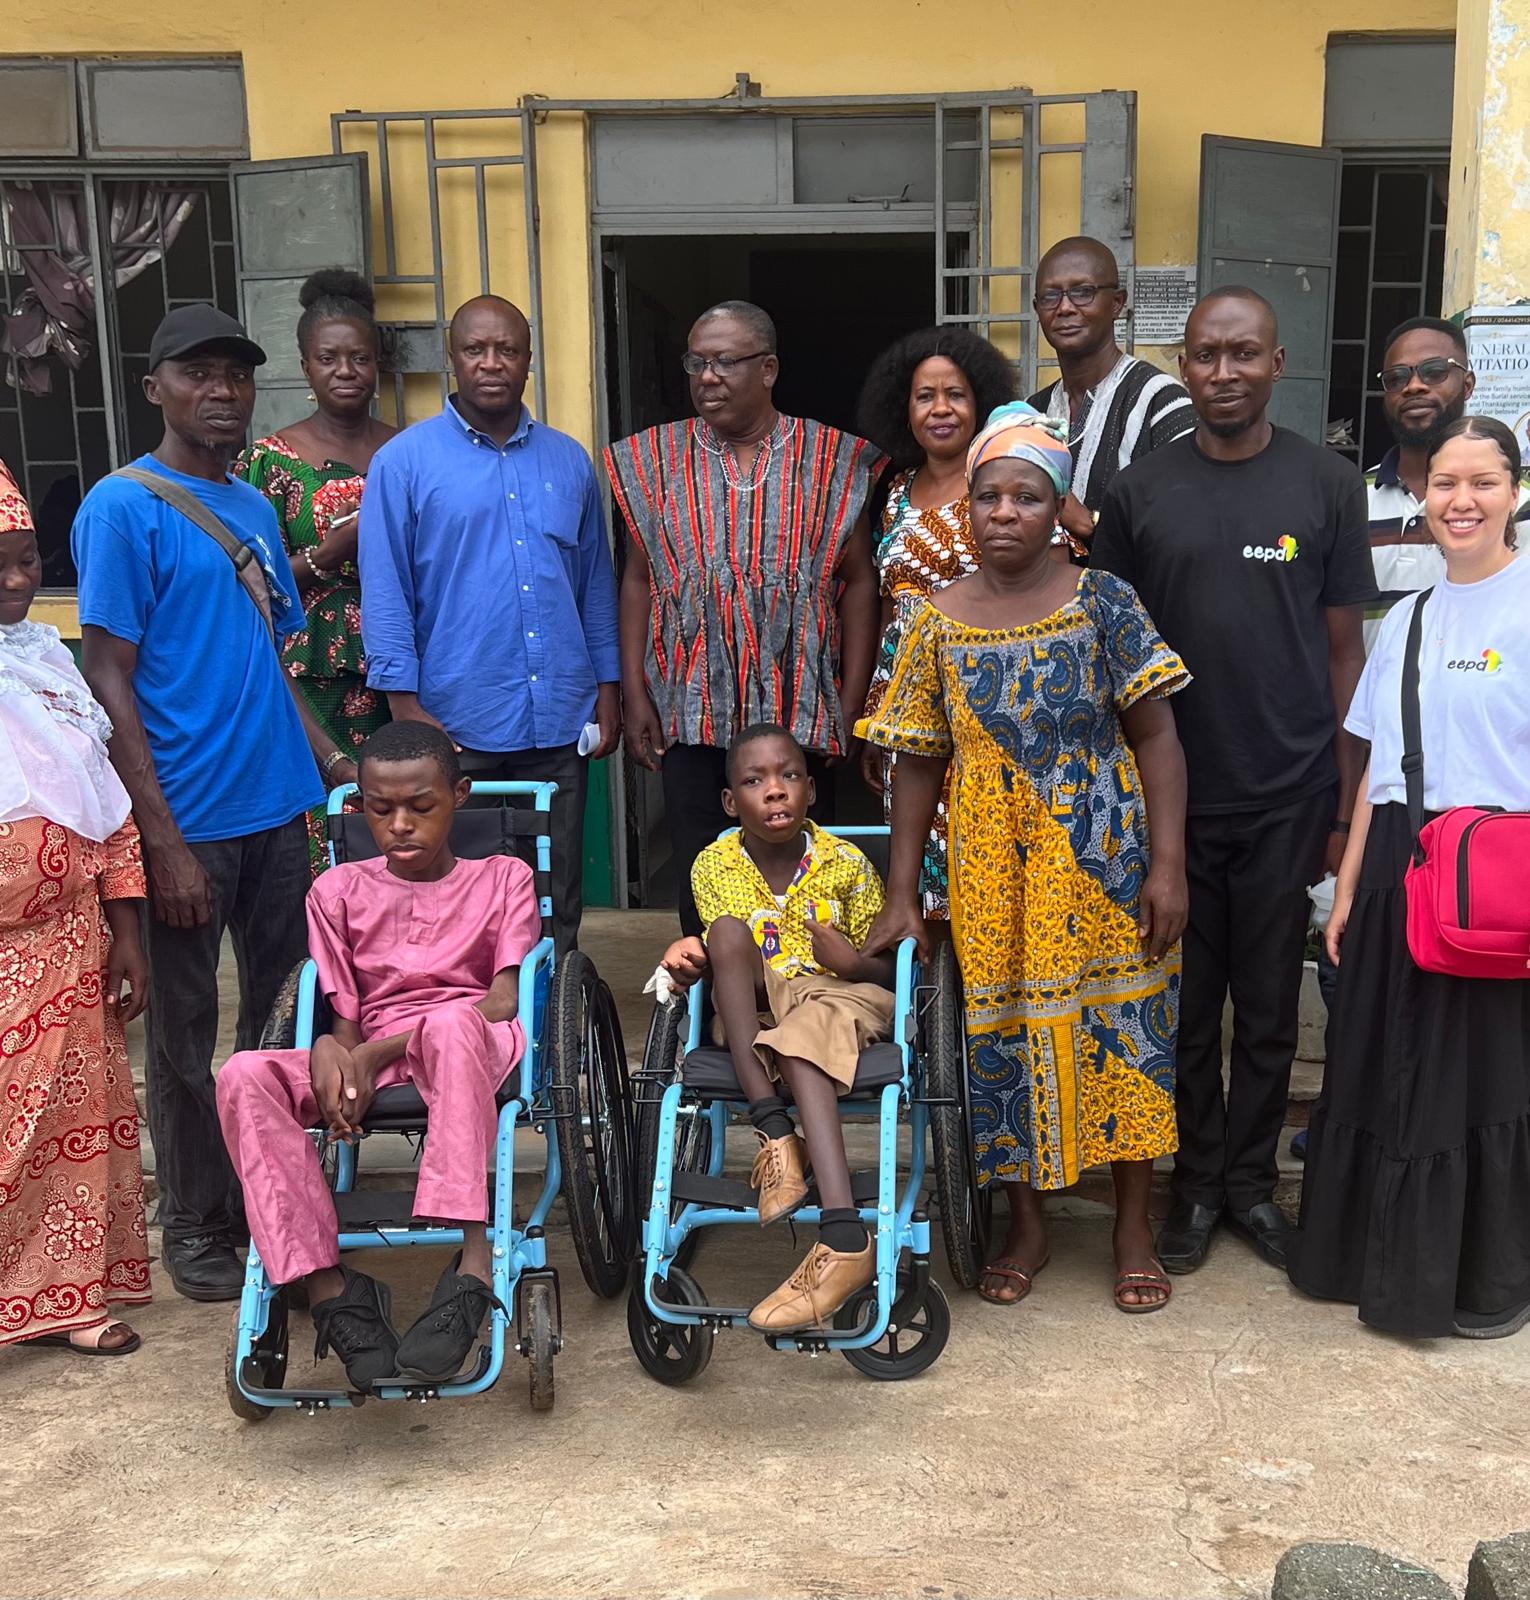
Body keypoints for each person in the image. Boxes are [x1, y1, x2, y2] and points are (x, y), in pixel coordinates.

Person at [860, 403, 1191, 1312]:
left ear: (1058, 510)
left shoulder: (1104, 600)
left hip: (1104, 857)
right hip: (989, 869)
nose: (1004, 512)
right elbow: (919, 760)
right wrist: (900, 891)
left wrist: (1168, 867)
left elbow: (1157, 737)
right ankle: (1029, 1222)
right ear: (964, 508)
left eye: (1026, 497)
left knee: (1125, 1034)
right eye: (988, 496)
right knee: (998, 1039)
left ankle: (1131, 1224)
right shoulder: (933, 619)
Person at [73, 303, 356, 1304]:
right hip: (189, 821)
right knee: (187, 1039)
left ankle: (269, 1203)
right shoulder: (122, 507)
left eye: (237, 376)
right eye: (199, 374)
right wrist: (163, 840)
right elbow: (107, 673)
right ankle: (197, 1226)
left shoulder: (246, 509)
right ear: (156, 388)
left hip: (279, 815)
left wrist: (329, 762)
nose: (223, 391)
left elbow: (268, 659)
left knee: (282, 1026)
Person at [1091, 287, 1376, 1275]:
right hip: (1168, 802)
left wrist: (1343, 803)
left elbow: (1347, 655)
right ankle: (1196, 1184)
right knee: (1177, 1011)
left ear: (1276, 363)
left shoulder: (1328, 486)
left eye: (1242, 354)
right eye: (1206, 354)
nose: (1222, 372)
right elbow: (1114, 653)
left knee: (1264, 1009)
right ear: (1184, 365)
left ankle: (1251, 1186)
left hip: (1286, 791)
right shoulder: (1139, 493)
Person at [1290, 416, 1530, 1339]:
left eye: (1482, 483)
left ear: (1515, 491)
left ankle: (1476, 1281)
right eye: (1444, 485)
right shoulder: (1410, 619)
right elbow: (1381, 767)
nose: (1460, 502)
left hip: (1497, 872)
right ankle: (1359, 1261)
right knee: (1379, 1066)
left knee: (1478, 1077)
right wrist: (1346, 891)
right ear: (1421, 498)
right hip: (1399, 860)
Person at [216, 719, 542, 1386]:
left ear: (460, 796)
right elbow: (344, 1017)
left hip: (472, 1041)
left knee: (450, 1025)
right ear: (359, 806)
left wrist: (374, 1051)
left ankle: (473, 1267)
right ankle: (330, 1290)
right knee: (246, 1073)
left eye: (421, 807)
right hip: (377, 1051)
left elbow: (502, 1002)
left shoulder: (502, 877)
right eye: (381, 809)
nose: (400, 825)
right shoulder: (334, 892)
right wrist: (336, 1057)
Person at [606, 300, 882, 938]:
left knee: (812, 870)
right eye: (696, 362)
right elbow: (639, 580)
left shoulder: (833, 461)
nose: (708, 377)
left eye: (725, 361)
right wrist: (636, 691)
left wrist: (850, 697)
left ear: (768, 369)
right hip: (691, 706)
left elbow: (860, 580)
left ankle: (809, 1006)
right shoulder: (652, 462)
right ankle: (711, 1010)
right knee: (702, 867)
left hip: (802, 707)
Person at [359, 295, 619, 955]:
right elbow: (385, 586)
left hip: (558, 716)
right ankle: (467, 1026)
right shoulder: (404, 462)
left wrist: (608, 688)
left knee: (555, 893)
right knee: (455, 890)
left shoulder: (568, 462)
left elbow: (592, 582)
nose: (492, 363)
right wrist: (407, 708)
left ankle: (554, 1024)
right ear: (454, 357)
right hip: (454, 719)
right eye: (477, 350)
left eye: (508, 349)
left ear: (529, 360)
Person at [657, 723, 894, 1330]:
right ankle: (775, 1131)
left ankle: (843, 1236)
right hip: (757, 1008)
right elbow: (733, 960)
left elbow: (891, 971)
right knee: (729, 932)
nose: (775, 792)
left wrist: (851, 961)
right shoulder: (714, 864)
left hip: (840, 996)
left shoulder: (846, 863)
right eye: (755, 780)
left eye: (789, 776)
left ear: (811, 791)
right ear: (731, 803)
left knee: (805, 1027)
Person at [0, 460, 152, 1356]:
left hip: (67, 941)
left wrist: (125, 927)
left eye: (25, 560)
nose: (18, 581)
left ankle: (68, 1302)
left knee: (70, 1128)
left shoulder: (46, 670)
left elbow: (106, 804)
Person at [236, 268, 397, 875]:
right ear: (306, 367)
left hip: (398, 670)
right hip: (307, 671)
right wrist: (330, 552)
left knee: (399, 832)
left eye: (359, 357)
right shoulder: (268, 464)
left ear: (376, 362)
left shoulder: (407, 453)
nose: (345, 370)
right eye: (328, 358)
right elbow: (252, 588)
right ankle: (318, 968)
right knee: (321, 839)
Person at [853, 326, 1016, 917]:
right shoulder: (895, 491)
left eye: (957, 394)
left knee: (989, 870)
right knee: (921, 875)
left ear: (982, 404)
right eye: (926, 396)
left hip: (990, 706)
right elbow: (890, 610)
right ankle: (937, 1004)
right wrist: (878, 714)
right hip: (911, 712)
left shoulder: (1006, 483)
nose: (941, 409)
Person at [1027, 236, 1195, 556]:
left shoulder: (1163, 406)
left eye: (1082, 292)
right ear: (1038, 309)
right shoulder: (1031, 413)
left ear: (1117, 303)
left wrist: (1089, 520)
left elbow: (1187, 526)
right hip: (1043, 604)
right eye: (1050, 296)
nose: (1064, 307)